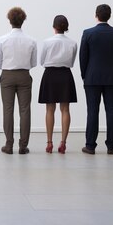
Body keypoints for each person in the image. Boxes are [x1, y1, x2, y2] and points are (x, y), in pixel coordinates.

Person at [80, 4, 113, 155]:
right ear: (110, 15)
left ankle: (90, 145)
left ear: (96, 15)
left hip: (92, 78)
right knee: (112, 111)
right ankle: (111, 146)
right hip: (112, 78)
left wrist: (85, 76)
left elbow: (83, 58)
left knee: (92, 111)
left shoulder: (88, 33)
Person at [0, 7, 37, 155]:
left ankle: (9, 144)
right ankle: (23, 146)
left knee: (8, 109)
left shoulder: (2, 40)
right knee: (25, 110)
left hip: (7, 75)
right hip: (25, 75)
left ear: (9, 20)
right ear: (23, 20)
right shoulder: (31, 40)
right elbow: (34, 63)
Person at [38, 15, 77, 154]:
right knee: (65, 109)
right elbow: (72, 62)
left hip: (50, 75)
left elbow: (42, 61)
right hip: (65, 75)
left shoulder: (47, 42)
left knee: (49, 110)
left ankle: (49, 143)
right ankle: (63, 143)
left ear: (54, 26)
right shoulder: (72, 43)